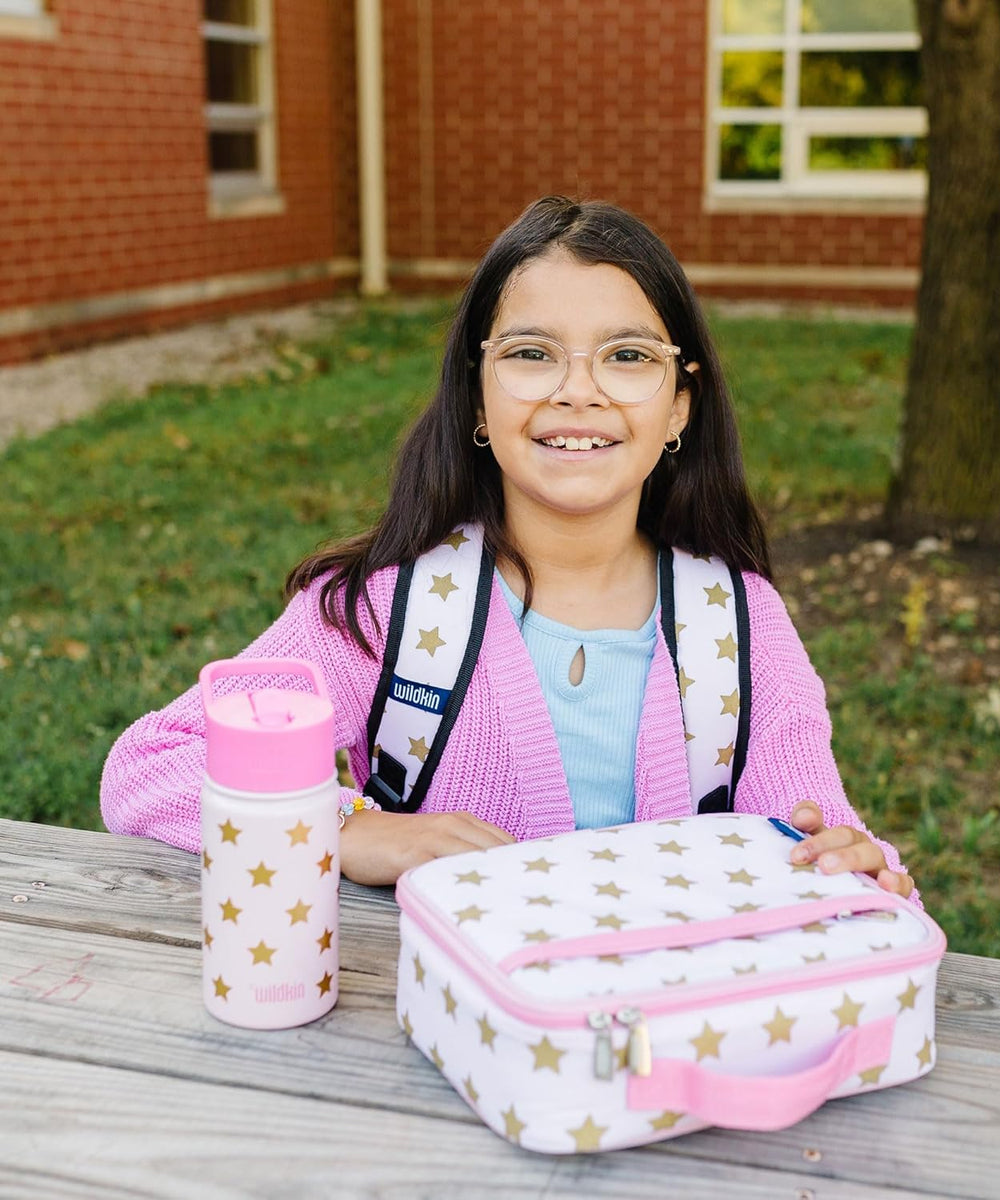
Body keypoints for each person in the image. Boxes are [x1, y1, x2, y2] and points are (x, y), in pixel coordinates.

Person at [101, 196, 916, 902]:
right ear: (479, 402)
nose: (578, 390)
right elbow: (150, 769)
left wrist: (857, 865)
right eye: (531, 353)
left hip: (667, 1050)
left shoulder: (739, 626)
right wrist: (348, 831)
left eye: (628, 356)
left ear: (679, 409)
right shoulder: (384, 610)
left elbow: (822, 838)